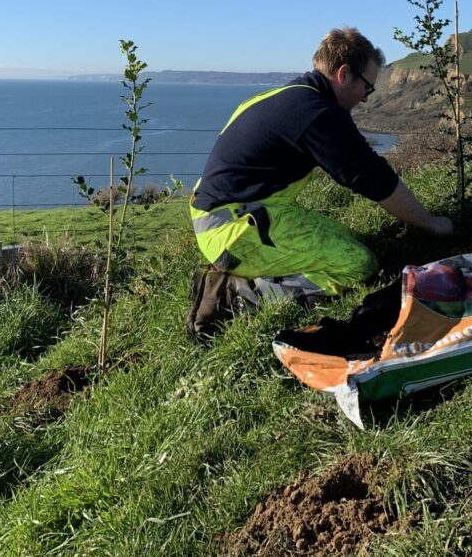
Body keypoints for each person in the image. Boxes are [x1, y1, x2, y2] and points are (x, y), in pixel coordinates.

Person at [185, 27, 454, 340]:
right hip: (233, 230)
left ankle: (248, 274)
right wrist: (431, 224)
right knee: (357, 264)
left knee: (350, 242)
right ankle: (230, 296)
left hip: (241, 212)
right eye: (367, 87)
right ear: (344, 74)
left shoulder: (293, 96)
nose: (366, 98)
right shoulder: (316, 113)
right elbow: (374, 178)